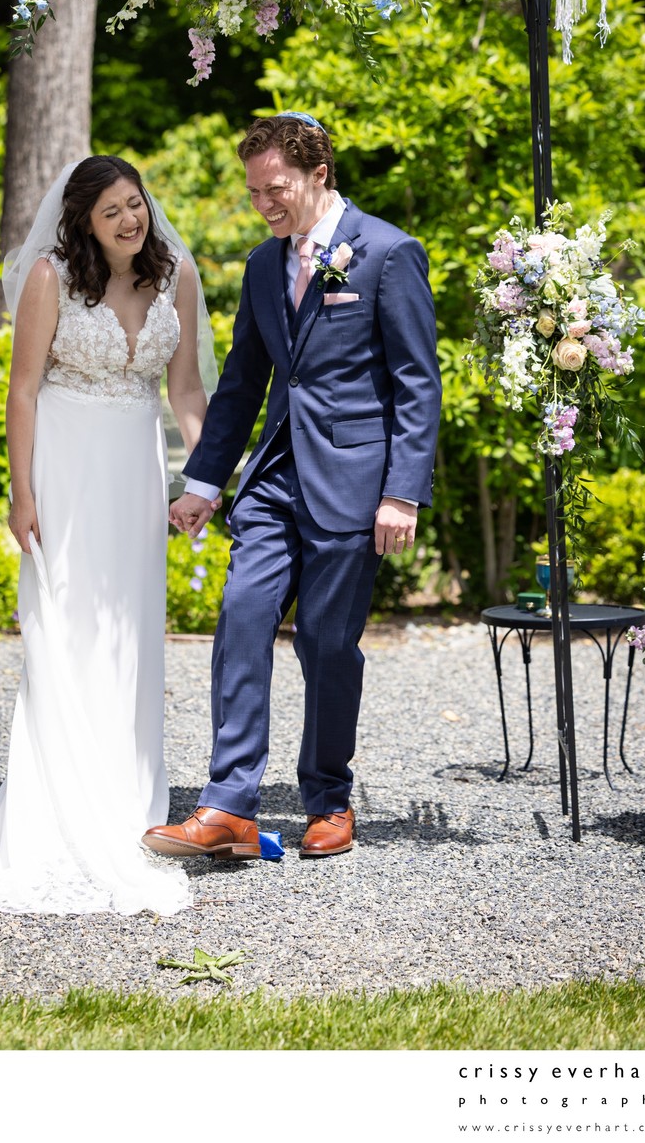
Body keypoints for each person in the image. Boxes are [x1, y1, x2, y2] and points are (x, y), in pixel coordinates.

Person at [0, 156, 213, 915]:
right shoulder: (50, 278)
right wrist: (23, 494)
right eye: (111, 210)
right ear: (83, 219)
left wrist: (205, 477)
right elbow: (22, 389)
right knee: (65, 624)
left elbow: (184, 387)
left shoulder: (177, 276)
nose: (129, 219)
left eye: (135, 203)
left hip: (135, 471)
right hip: (67, 467)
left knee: (131, 629)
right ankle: (56, 803)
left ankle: (125, 795)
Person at [143, 113, 442, 862]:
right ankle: (229, 805)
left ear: (318, 174)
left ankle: (329, 798)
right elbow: (244, 382)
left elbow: (417, 383)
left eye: (274, 188)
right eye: (253, 191)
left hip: (354, 483)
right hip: (275, 477)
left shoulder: (389, 252)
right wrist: (203, 481)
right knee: (242, 615)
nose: (263, 204)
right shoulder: (260, 265)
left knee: (327, 644)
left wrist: (402, 492)